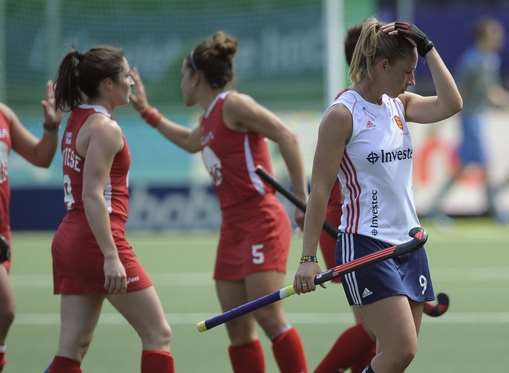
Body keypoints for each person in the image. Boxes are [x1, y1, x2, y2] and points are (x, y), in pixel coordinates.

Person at [130, 31, 308, 373]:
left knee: (268, 316)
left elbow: (286, 136)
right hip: (232, 228)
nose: (181, 82)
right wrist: (146, 112)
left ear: (196, 76)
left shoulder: (233, 104)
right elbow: (189, 141)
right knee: (238, 328)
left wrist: (301, 198)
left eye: (183, 75)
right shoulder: (209, 117)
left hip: (261, 219)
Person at [294, 18, 462, 373]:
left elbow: (451, 104)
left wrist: (427, 46)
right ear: (382, 66)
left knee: (396, 358)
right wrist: (307, 257)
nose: (413, 79)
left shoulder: (399, 104)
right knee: (401, 349)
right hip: (366, 244)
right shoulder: (342, 115)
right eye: (407, 70)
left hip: (409, 243)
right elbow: (320, 190)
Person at [46, 46, 175, 373]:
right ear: (107, 84)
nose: (132, 82)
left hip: (71, 239)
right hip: (96, 240)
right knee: (158, 334)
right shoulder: (106, 129)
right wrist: (110, 255)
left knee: (71, 348)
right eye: (126, 76)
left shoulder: (77, 119)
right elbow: (92, 195)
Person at [0, 83, 61, 372]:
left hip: (3, 236)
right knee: (5, 309)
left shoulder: (4, 116)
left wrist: (50, 128)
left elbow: (41, 157)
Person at [428, 17, 509, 223]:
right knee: (485, 165)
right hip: (471, 118)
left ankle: (434, 207)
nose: (500, 37)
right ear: (484, 36)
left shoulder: (489, 59)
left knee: (465, 165)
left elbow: (492, 92)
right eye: (495, 33)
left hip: (478, 117)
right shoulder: (473, 61)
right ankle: (496, 212)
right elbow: (461, 92)